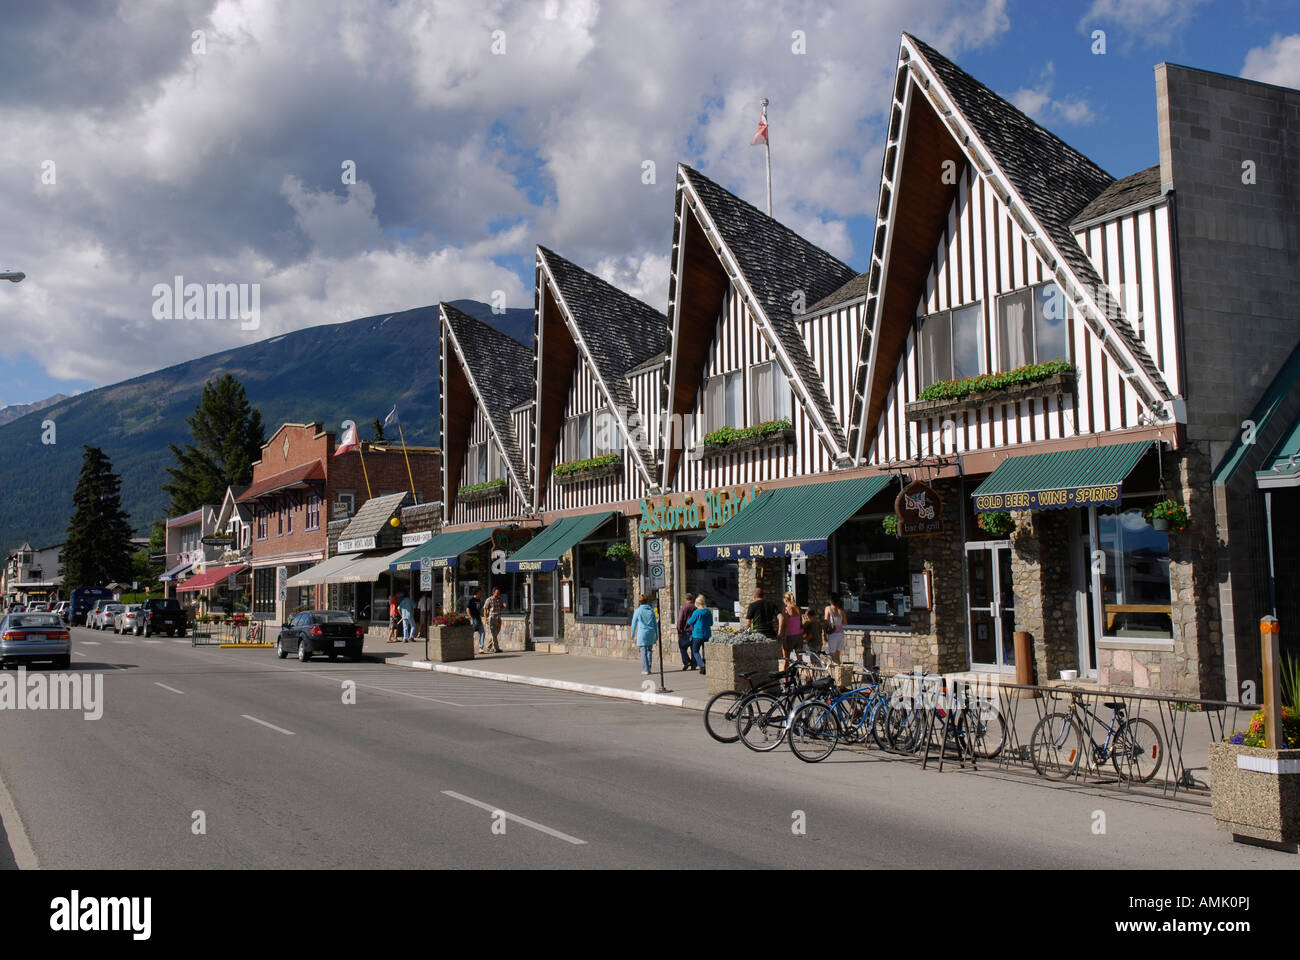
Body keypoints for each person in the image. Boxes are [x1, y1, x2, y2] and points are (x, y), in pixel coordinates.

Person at [630, 593, 658, 675]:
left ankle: (645, 669)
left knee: (643, 651)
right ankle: (649, 667)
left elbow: (634, 623)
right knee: (649, 650)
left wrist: (632, 634)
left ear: (640, 601)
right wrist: (656, 634)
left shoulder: (638, 611)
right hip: (651, 632)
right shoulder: (651, 611)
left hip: (642, 633)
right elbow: (655, 623)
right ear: (647, 601)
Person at [686, 594, 713, 677]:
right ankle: (705, 666)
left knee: (695, 651)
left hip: (697, 634)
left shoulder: (696, 612)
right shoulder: (708, 612)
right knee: (705, 650)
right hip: (706, 634)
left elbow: (689, 622)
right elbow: (711, 623)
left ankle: (702, 665)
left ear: (697, 603)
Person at [777, 592, 804, 664]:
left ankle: (785, 675)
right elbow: (801, 622)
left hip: (790, 636)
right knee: (800, 660)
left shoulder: (786, 610)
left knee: (786, 659)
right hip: (799, 636)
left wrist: (784, 639)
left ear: (786, 599)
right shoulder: (798, 609)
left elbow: (785, 625)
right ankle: (806, 674)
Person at [824, 593, 847, 664]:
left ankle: (834, 673)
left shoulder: (828, 609)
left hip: (832, 635)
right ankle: (839, 673)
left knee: (832, 656)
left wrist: (824, 634)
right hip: (840, 634)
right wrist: (838, 623)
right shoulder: (841, 610)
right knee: (837, 656)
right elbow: (845, 623)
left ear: (830, 600)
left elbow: (825, 623)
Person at [675, 596, 697, 670]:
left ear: (686, 599)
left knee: (682, 646)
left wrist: (679, 630)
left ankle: (686, 661)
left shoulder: (684, 608)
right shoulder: (696, 607)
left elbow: (680, 620)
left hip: (686, 631)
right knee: (693, 648)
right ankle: (694, 664)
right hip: (695, 630)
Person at [482, 587, 505, 654]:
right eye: (497, 593)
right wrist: (485, 618)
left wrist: (503, 606)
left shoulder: (499, 600)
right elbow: (485, 609)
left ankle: (488, 647)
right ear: (493, 592)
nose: (498, 594)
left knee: (495, 634)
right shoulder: (489, 600)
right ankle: (496, 648)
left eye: (499, 593)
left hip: (498, 618)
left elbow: (500, 609)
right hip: (492, 618)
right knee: (493, 634)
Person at [467, 588, 485, 652]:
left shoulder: (479, 600)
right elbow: (467, 609)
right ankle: (469, 648)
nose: (481, 593)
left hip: (478, 619)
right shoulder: (471, 600)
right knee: (471, 634)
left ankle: (481, 648)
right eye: (480, 592)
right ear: (477, 592)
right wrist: (470, 617)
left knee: (482, 632)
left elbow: (479, 610)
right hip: (473, 619)